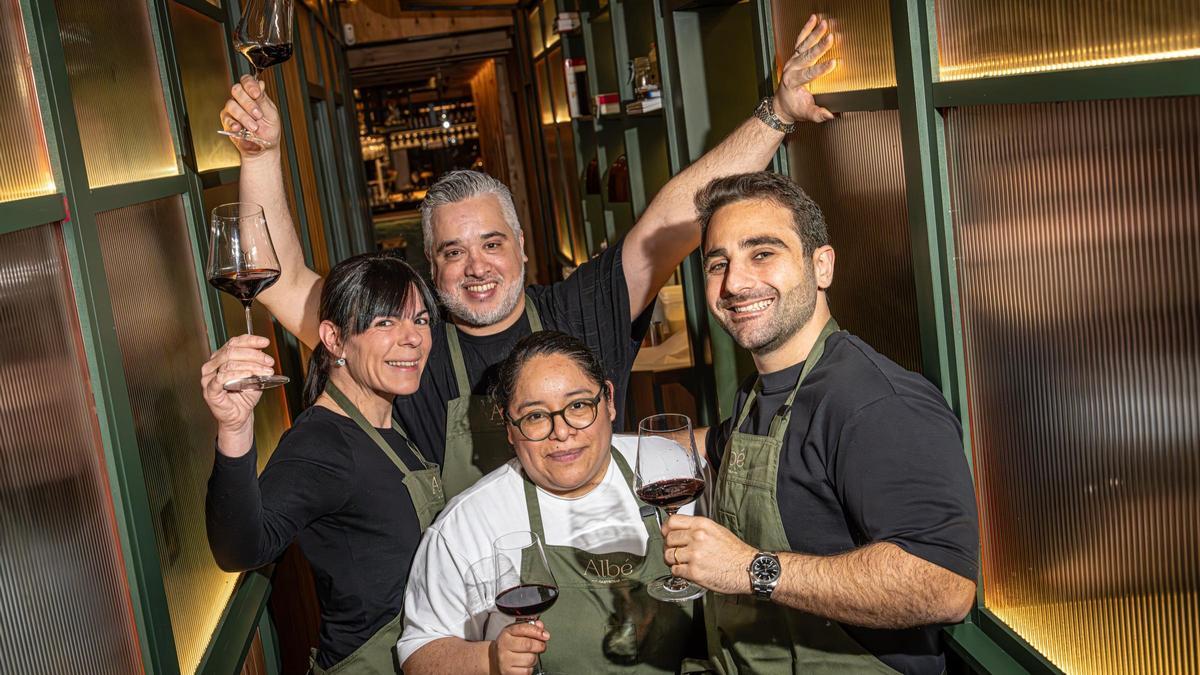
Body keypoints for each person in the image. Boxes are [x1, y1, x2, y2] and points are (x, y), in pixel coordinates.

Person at [218, 17, 839, 497]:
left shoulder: (581, 308)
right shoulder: (406, 348)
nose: (477, 267)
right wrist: (261, 156)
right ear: (432, 269)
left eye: (492, 244)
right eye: (452, 252)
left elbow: (676, 217)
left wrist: (777, 114)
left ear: (521, 247)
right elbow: (281, 282)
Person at [660, 172, 979, 674]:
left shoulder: (876, 404)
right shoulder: (757, 394)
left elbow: (942, 585)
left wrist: (748, 569)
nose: (735, 283)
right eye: (718, 263)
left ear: (821, 265)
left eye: (762, 253)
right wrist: (588, 437)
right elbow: (713, 444)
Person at [398, 331, 700, 674]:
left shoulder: (668, 469)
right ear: (509, 428)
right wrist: (489, 659)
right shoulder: (469, 523)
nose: (561, 432)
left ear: (609, 400)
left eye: (578, 405)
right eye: (535, 416)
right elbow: (418, 654)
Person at [203, 252, 444, 672]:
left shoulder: (390, 420)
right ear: (333, 339)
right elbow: (240, 548)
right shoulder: (322, 442)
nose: (412, 338)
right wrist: (235, 427)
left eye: (420, 320)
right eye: (385, 322)